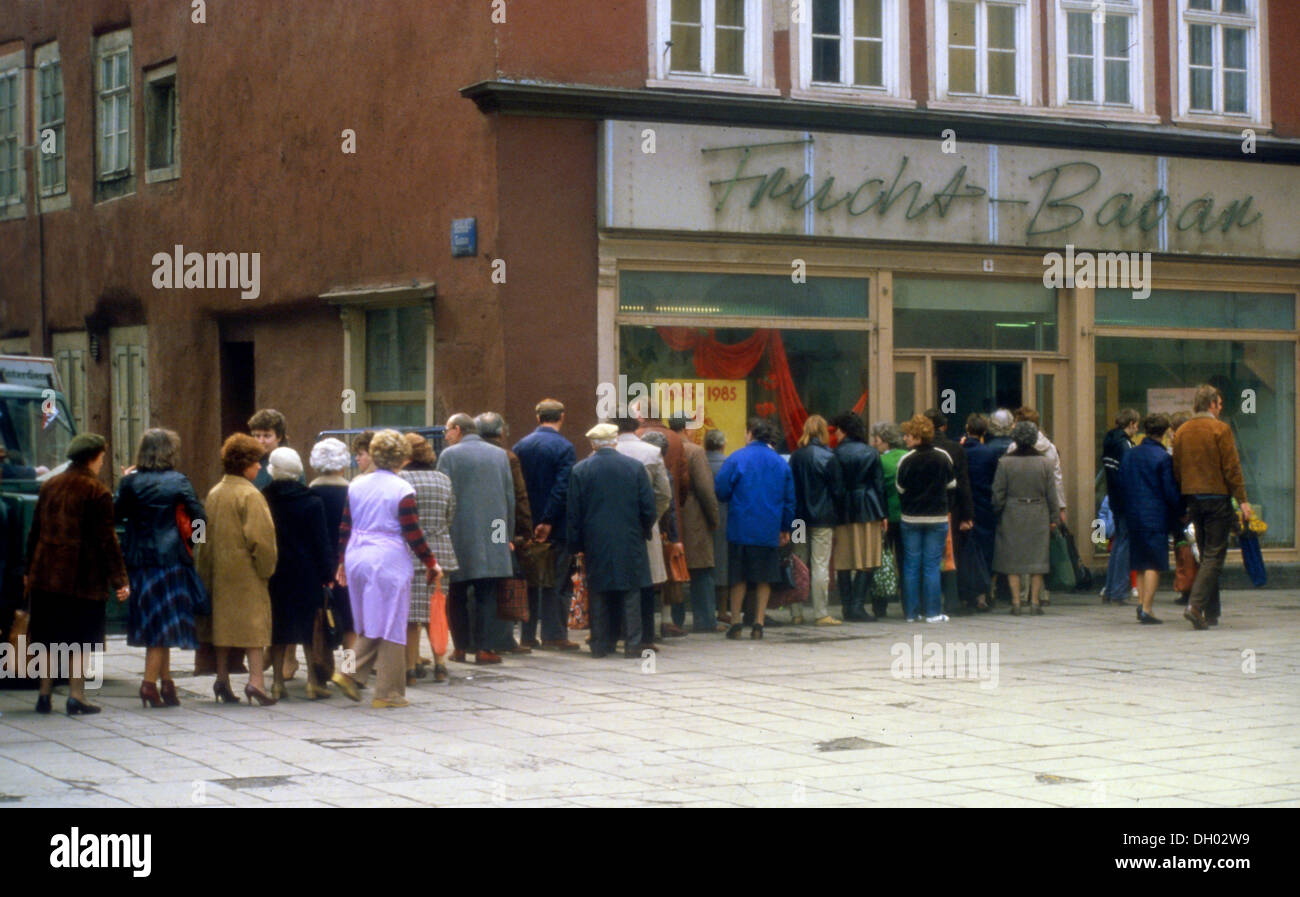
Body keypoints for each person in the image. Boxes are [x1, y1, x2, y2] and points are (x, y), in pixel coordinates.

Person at [335, 430, 441, 707]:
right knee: (391, 620)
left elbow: (345, 525)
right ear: (404, 459)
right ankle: (386, 690)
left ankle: (353, 673)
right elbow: (412, 532)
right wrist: (431, 562)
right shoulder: (402, 490)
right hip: (388, 556)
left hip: (357, 553)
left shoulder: (356, 485)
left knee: (368, 619)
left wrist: (341, 561)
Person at [25, 434, 129, 715]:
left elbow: (34, 531)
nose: (102, 462)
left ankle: (44, 695)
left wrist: (28, 571)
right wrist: (120, 580)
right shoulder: (97, 491)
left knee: (46, 638)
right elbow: (107, 540)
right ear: (94, 457)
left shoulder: (49, 485)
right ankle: (76, 695)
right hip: (82, 576)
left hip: (46, 575)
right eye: (102, 457)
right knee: (79, 640)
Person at [115, 428, 207, 708]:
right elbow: (199, 515)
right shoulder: (178, 480)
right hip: (171, 560)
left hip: (140, 560)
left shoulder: (131, 483)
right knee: (164, 624)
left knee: (156, 621)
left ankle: (167, 684)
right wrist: (194, 542)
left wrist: (124, 482)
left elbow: (117, 514)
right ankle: (148, 684)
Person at [195, 434, 278, 705]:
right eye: (256, 462)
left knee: (222, 628)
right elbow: (262, 540)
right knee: (254, 630)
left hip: (218, 571)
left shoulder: (215, 493)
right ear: (245, 464)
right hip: (246, 573)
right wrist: (266, 569)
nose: (259, 468)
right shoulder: (251, 496)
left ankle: (222, 678)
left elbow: (201, 536)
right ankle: (257, 682)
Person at [566, 423, 657, 658]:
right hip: (630, 537)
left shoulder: (580, 470)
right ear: (614, 441)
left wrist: (576, 543)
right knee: (631, 591)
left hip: (596, 539)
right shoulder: (635, 468)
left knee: (599, 591)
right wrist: (644, 530)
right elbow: (648, 507)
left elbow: (574, 512)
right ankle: (632, 644)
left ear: (592, 444)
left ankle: (600, 644)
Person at [1171, 385, 1251, 629]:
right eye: (1219, 403)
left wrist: (1183, 499)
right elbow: (1232, 468)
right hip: (1217, 497)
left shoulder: (1183, 431)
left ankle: (1211, 611)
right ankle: (1195, 606)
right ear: (1212, 405)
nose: (1221, 408)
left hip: (1193, 498)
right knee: (1215, 554)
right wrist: (1243, 500)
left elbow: (1177, 469)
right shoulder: (1220, 429)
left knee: (1206, 554)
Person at [438, 413, 515, 664]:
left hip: (459, 531)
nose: (446, 436)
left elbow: (443, 495)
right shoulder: (499, 454)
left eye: (447, 431)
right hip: (494, 531)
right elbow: (508, 498)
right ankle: (485, 648)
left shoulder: (449, 456)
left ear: (457, 429)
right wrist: (506, 537)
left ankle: (460, 648)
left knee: (457, 592)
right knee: (487, 593)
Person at [714, 418, 796, 640]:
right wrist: (786, 527)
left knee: (738, 576)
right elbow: (790, 499)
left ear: (750, 433)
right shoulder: (780, 463)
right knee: (764, 577)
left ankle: (736, 621)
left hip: (741, 525)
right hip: (768, 527)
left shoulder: (737, 457)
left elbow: (721, 489)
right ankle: (759, 622)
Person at [263, 447, 334, 700]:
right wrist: (328, 573)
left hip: (275, 571)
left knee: (278, 627)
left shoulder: (264, 498)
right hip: (307, 573)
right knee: (309, 628)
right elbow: (321, 541)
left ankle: (277, 683)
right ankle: (313, 682)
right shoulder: (312, 501)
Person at [513, 398, 580, 651]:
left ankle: (528, 635)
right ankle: (554, 634)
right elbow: (562, 488)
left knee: (529, 579)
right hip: (556, 526)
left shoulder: (521, 446)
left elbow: (517, 489)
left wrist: (528, 522)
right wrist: (548, 521)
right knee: (556, 579)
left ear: (537, 417)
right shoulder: (565, 448)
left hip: (527, 525)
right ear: (561, 417)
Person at [400, 432, 458, 683]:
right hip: (441, 551)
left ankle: (410, 668)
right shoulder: (443, 480)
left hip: (411, 552)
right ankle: (440, 664)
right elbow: (450, 513)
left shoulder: (401, 480)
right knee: (437, 610)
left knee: (412, 616)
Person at [477, 412, 533, 655]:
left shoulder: (465, 455)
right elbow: (517, 495)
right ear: (501, 432)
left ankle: (475, 637)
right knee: (503, 578)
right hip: (499, 526)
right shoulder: (506, 457)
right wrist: (523, 530)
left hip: (473, 528)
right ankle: (503, 637)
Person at [1118, 414, 1183, 625]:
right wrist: (1180, 508)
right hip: (1155, 515)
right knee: (1154, 562)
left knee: (1140, 561)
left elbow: (1122, 483)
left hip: (1133, 514)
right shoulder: (1163, 458)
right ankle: (1146, 608)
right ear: (1164, 433)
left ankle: (1142, 604)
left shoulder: (1130, 455)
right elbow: (1169, 491)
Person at [992, 421, 1061, 616]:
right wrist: (1055, 517)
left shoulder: (1005, 463)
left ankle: (1016, 602)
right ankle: (1035, 602)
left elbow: (998, 493)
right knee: (1037, 559)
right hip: (1039, 511)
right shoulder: (1045, 463)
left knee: (1013, 559)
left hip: (1012, 512)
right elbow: (1052, 494)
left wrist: (998, 510)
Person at [614, 417, 671, 652]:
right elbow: (664, 493)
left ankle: (616, 632)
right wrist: (651, 518)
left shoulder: (605, 450)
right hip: (644, 525)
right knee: (645, 581)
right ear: (636, 428)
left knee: (616, 577)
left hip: (613, 525)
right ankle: (646, 636)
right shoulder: (652, 452)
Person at [895, 415, 955, 623]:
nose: (905, 439)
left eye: (909, 435)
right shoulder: (943, 457)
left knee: (911, 565)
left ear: (918, 437)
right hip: (936, 517)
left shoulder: (906, 460)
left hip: (911, 518)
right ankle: (932, 612)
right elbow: (951, 486)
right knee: (931, 566)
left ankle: (911, 613)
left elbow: (900, 489)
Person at [307, 437, 357, 684]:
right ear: (343, 463)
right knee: (350, 622)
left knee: (319, 619)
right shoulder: (352, 492)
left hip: (316, 565)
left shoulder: (309, 492)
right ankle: (349, 671)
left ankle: (320, 671)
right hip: (346, 564)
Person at [828, 412, 886, 622]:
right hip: (868, 507)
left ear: (843, 431)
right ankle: (857, 606)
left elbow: (834, 487)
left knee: (843, 560)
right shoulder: (871, 452)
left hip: (844, 510)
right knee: (868, 559)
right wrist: (883, 513)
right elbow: (879, 485)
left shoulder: (834, 454)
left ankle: (846, 606)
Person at [670, 416, 720, 633]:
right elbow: (706, 490)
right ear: (684, 428)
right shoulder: (695, 451)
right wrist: (714, 518)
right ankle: (705, 620)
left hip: (671, 517)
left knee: (675, 570)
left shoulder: (666, 446)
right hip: (694, 517)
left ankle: (674, 620)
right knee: (701, 572)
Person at [789, 415, 838, 625]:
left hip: (798, 519)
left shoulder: (795, 457)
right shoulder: (829, 457)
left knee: (797, 562)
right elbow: (836, 490)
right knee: (820, 565)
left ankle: (796, 612)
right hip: (822, 519)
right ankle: (820, 612)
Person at [965, 409, 1014, 610]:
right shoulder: (991, 453)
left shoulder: (963, 451)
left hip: (969, 506)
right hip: (988, 505)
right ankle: (987, 592)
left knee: (968, 550)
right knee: (988, 549)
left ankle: (971, 593)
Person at [1101, 409, 1141, 606]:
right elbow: (1128, 472)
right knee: (1124, 544)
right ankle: (1118, 591)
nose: (1137, 428)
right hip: (1125, 499)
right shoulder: (1124, 444)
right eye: (1136, 424)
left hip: (1114, 498)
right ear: (1132, 423)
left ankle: (1110, 589)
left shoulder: (1109, 440)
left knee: (1118, 543)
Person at [870, 421, 907, 618]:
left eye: (876, 440)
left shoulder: (880, 462)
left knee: (882, 559)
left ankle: (880, 605)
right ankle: (908, 602)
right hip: (905, 515)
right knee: (904, 559)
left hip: (884, 516)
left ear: (884, 442)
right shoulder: (905, 456)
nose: (874, 444)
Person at [705, 429, 731, 623]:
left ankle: (706, 608)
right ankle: (722, 610)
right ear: (722, 445)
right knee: (723, 564)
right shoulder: (728, 464)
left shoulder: (699, 461)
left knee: (704, 565)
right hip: (726, 517)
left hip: (701, 519)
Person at [248, 408, 288, 490]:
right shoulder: (249, 462)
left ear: (279, 437)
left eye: (267, 436)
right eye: (257, 436)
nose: (261, 441)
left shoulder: (289, 462)